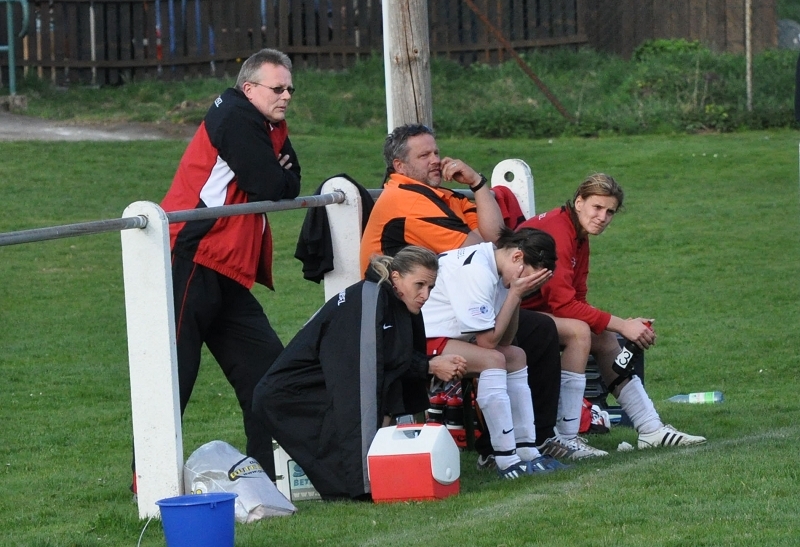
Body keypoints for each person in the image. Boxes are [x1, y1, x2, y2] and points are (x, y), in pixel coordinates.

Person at [359, 123, 564, 469]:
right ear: (400, 166)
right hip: (403, 319)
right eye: (424, 155)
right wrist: (513, 290)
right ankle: (510, 450)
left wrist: (477, 183)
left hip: (441, 309)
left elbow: (497, 236)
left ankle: (527, 445)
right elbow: (482, 248)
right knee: (523, 341)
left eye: (436, 152)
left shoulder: (440, 196)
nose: (436, 160)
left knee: (528, 339)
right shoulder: (406, 199)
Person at [158, 48, 301, 480]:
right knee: (175, 375)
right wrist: (275, 173)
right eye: (278, 88)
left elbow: (290, 184)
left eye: (291, 88)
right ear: (249, 88)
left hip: (225, 268)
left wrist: (276, 175)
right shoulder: (238, 118)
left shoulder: (264, 122)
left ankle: (267, 473)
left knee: (268, 371)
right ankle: (148, 478)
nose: (287, 96)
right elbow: (269, 183)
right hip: (191, 258)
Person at [252, 247, 468, 500]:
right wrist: (363, 485)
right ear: (396, 277)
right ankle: (359, 483)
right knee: (346, 430)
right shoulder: (370, 299)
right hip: (291, 393)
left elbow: (388, 358)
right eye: (419, 285)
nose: (425, 295)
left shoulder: (393, 300)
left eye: (430, 288)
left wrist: (431, 363)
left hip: (322, 381)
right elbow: (361, 376)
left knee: (379, 395)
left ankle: (370, 475)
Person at [518, 173, 706, 458]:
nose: (603, 217)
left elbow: (576, 299)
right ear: (579, 202)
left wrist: (619, 326)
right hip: (506, 316)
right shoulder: (559, 233)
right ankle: (566, 438)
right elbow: (563, 306)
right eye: (597, 207)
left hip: (529, 314)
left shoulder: (577, 234)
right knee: (580, 332)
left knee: (602, 338)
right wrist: (624, 325)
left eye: (610, 212)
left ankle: (651, 428)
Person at [421, 227, 569, 478]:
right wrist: (515, 293)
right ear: (517, 257)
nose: (528, 286)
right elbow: (488, 343)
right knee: (494, 360)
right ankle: (503, 457)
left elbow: (506, 339)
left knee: (516, 356)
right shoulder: (477, 270)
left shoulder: (497, 267)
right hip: (423, 338)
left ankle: (526, 450)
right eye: (530, 278)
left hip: (448, 336)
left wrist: (517, 296)